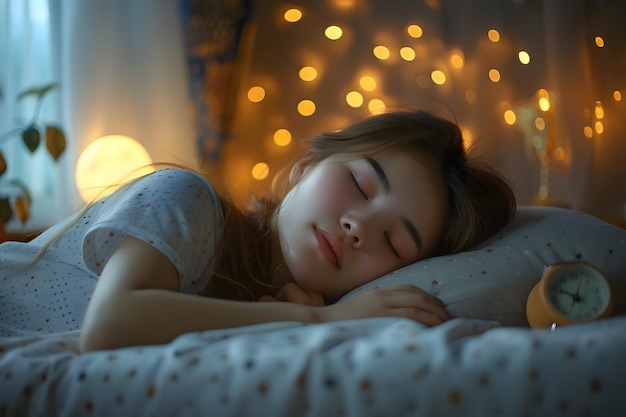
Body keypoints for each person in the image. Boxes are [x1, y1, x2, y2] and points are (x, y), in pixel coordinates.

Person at [0, 109, 516, 352]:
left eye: (393, 242)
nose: (359, 225)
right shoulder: (188, 200)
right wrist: (320, 320)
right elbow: (112, 326)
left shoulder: (266, 312)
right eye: (359, 184)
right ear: (306, 166)